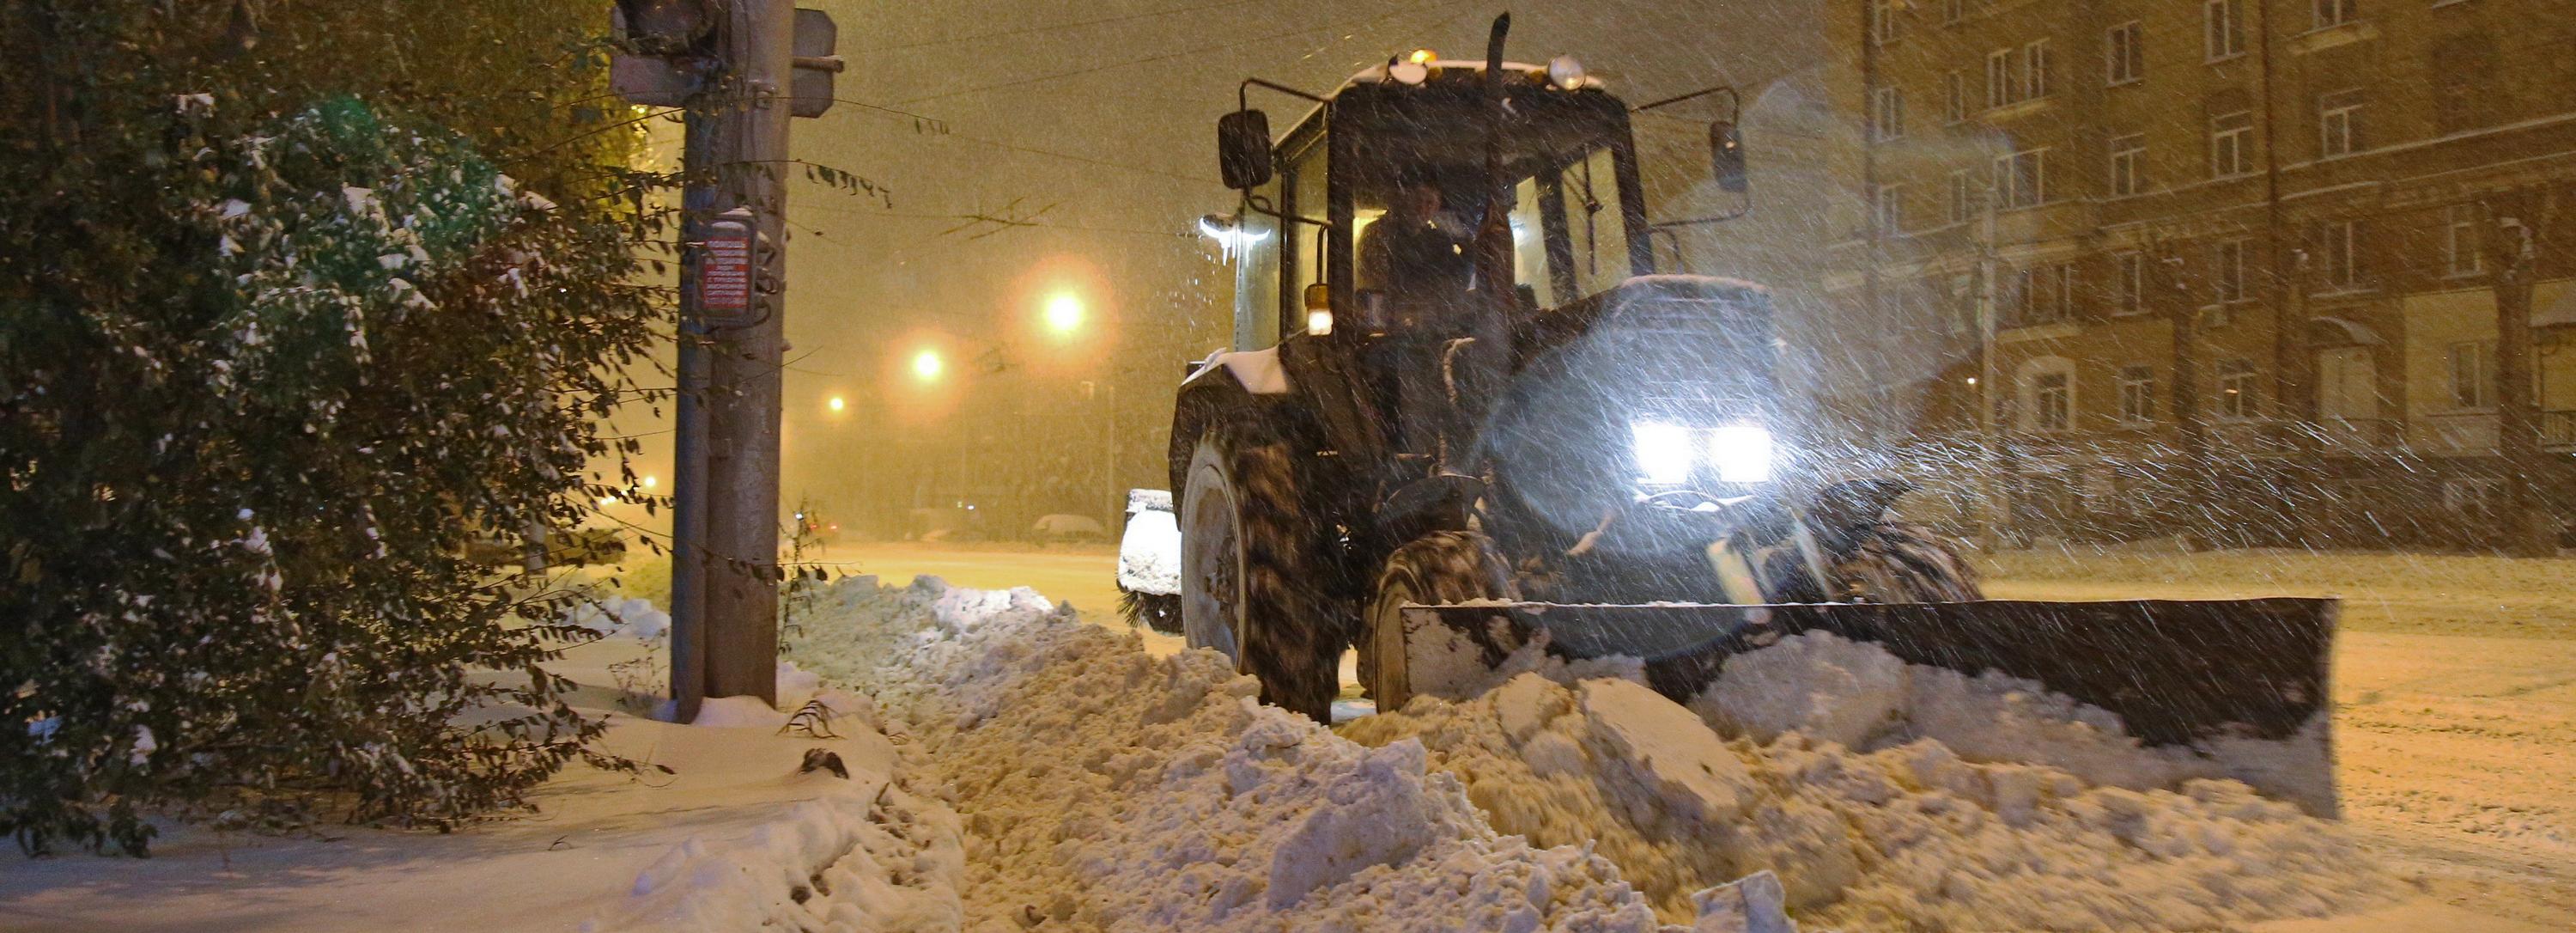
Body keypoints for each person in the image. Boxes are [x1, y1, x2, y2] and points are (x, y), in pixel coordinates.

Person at [1356, 176, 1473, 326]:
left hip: (1433, 325)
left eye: (1430, 203)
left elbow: (1456, 284)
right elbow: (1380, 281)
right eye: (1417, 200)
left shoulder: (1439, 240)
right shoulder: (1377, 233)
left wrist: (1464, 243)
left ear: (1437, 208)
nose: (1422, 209)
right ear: (1404, 200)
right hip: (1388, 324)